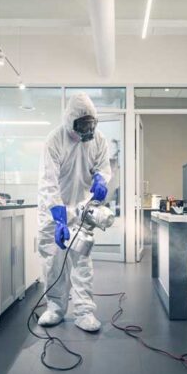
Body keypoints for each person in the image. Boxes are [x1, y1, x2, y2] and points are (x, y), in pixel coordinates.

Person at [36, 93, 111, 332]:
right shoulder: (55, 140)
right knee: (53, 262)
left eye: (91, 124)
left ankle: (84, 311)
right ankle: (55, 308)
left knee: (82, 261)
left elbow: (103, 167)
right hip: (54, 209)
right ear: (71, 121)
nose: (87, 131)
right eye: (82, 125)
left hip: (81, 209)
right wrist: (58, 219)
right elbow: (48, 183)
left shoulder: (97, 139)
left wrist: (101, 179)